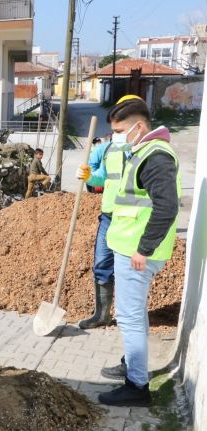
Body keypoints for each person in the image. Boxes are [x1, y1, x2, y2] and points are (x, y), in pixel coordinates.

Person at [97, 96, 180, 407]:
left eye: (119, 130)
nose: (115, 136)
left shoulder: (156, 156)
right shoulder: (142, 149)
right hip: (129, 247)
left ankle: (137, 386)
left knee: (129, 318)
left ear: (139, 127)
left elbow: (167, 207)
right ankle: (132, 364)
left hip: (137, 253)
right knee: (134, 315)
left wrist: (144, 249)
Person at [75, 97, 140, 330]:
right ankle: (101, 314)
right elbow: (103, 177)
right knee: (102, 264)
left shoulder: (145, 149)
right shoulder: (110, 149)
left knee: (128, 270)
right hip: (108, 216)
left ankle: (129, 318)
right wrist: (88, 177)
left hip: (132, 219)